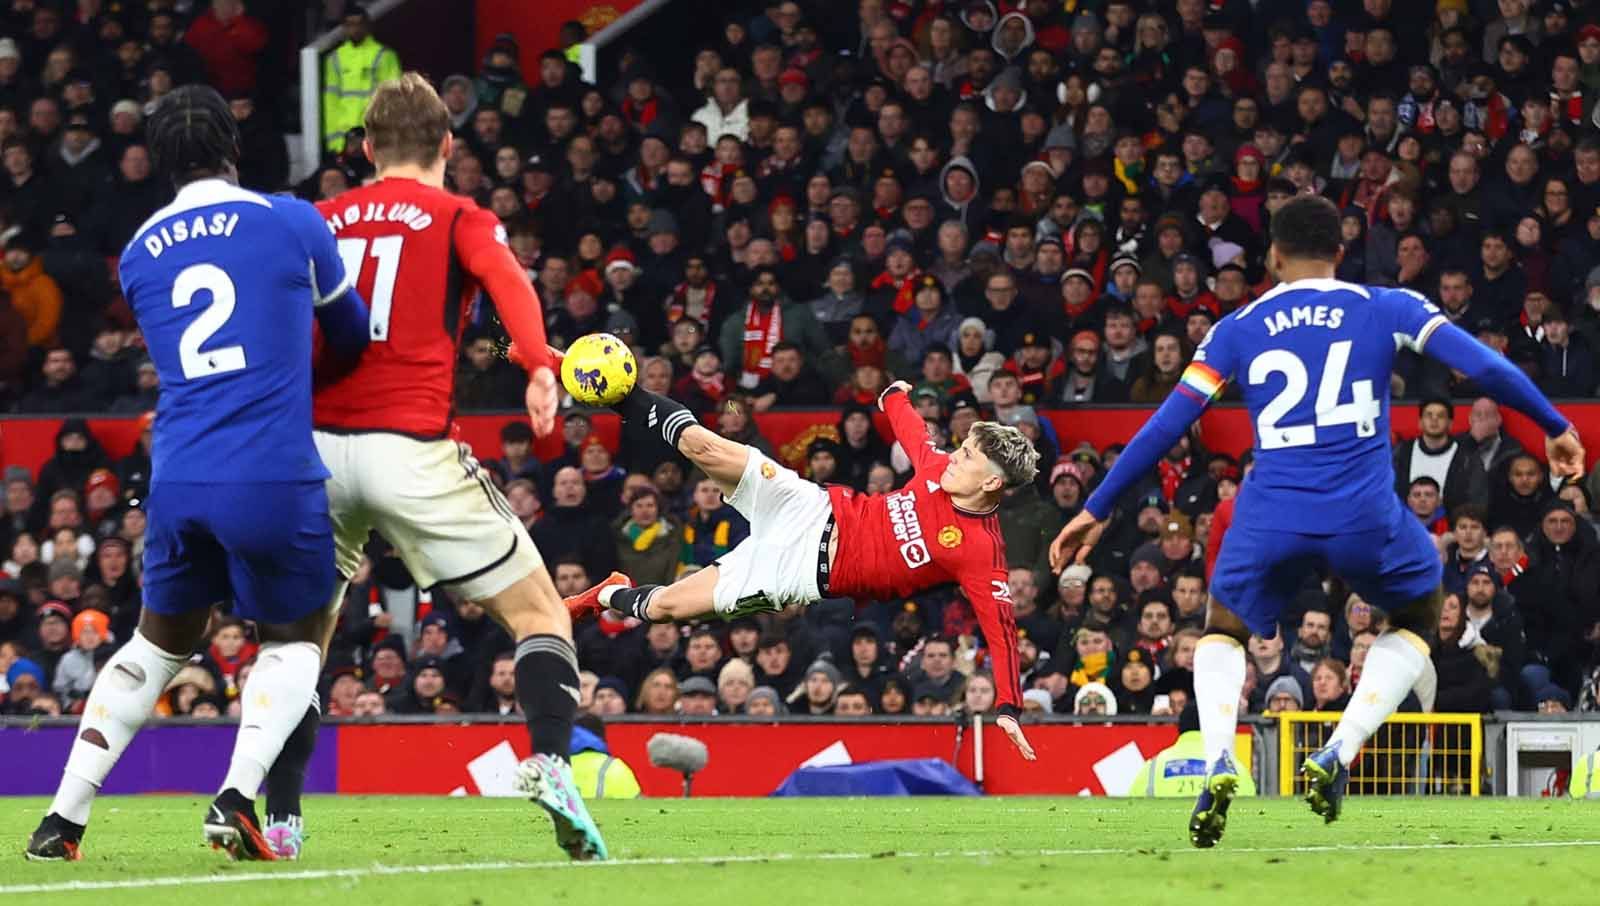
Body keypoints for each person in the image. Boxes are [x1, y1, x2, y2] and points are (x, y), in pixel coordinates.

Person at [1050, 195, 1584, 847]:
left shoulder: (1237, 328)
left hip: (1270, 511)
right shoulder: (1388, 306)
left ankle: (1219, 758)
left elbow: (1169, 423)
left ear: (1273, 257)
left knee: (1223, 626)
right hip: (1362, 512)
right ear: (1340, 253)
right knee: (1418, 612)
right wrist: (1555, 425)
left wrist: (1096, 508)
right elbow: (1484, 367)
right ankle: (1338, 750)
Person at [269, 73, 611, 862]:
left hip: (311, 452)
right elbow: (508, 285)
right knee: (540, 615)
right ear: (448, 146)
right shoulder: (458, 213)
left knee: (300, 644)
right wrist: (535, 364)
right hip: (411, 448)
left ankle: (282, 818)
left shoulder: (320, 219)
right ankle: (553, 767)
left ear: (364, 148)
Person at [27, 86, 371, 863]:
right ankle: (236, 798)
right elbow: (349, 335)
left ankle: (63, 820)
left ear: (157, 159)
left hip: (179, 475)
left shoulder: (140, 250)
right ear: (232, 148)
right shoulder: (290, 219)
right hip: (271, 472)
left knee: (156, 645)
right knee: (295, 638)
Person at [562, 377, 1041, 759]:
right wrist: (893, 396)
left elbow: (1000, 630)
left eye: (969, 457)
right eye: (960, 449)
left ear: (994, 481)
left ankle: (604, 595)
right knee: (703, 447)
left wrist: (1008, 707)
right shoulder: (939, 469)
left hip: (791, 573)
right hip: (808, 507)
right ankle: (619, 391)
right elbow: (914, 432)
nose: (954, 458)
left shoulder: (980, 551)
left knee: (663, 608)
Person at [320, 6, 402, 151]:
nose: (355, 29)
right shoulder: (335, 58)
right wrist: (335, 143)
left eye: (359, 24)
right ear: (344, 27)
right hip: (344, 138)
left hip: (376, 136)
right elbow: (331, 103)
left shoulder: (385, 55)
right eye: (350, 24)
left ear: (367, 26)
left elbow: (393, 100)